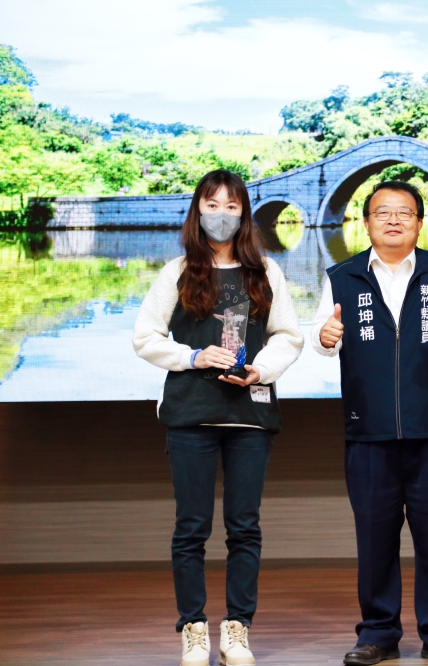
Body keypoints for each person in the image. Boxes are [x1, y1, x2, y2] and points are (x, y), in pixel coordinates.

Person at [133, 169, 303, 666]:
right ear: (198, 211)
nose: (222, 215)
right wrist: (193, 356)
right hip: (191, 415)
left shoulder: (266, 271)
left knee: (244, 527)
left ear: (244, 213)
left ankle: (237, 628)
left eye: (232, 206)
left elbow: (288, 336)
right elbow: (145, 337)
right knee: (191, 527)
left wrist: (260, 370)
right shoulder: (177, 271)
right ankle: (193, 628)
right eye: (212, 205)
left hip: (250, 417)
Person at [312, 181, 428, 666]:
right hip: (368, 430)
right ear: (366, 222)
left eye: (404, 213)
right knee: (374, 538)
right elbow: (322, 340)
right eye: (382, 212)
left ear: (419, 223)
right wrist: (325, 336)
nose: (393, 220)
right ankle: (378, 633)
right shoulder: (342, 276)